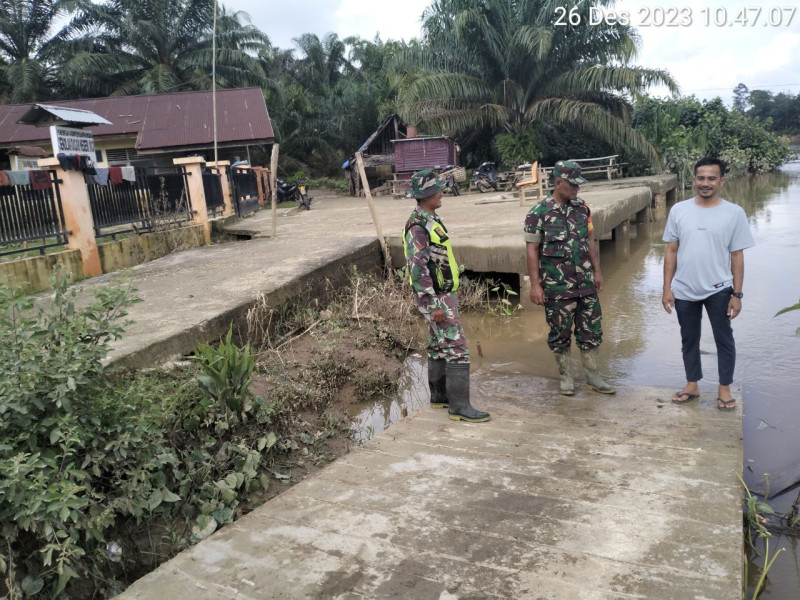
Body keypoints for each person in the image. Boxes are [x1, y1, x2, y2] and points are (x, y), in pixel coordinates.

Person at [662, 157, 754, 410]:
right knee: (688, 338)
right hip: (683, 289)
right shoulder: (679, 210)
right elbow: (671, 250)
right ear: (694, 180)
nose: (705, 183)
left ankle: (724, 387)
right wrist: (666, 288)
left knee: (724, 338)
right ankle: (692, 383)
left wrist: (737, 294)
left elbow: (737, 256)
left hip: (719, 289)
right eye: (701, 178)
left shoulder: (734, 213)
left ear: (721, 181)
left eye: (711, 178)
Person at [403, 169, 490, 423]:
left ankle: (440, 397)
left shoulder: (431, 219)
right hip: (437, 298)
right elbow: (417, 269)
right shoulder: (418, 226)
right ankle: (460, 407)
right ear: (427, 194)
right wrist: (431, 304)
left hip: (443, 295)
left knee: (439, 348)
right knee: (457, 349)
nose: (442, 192)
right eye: (438, 189)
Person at [524, 160, 615, 396]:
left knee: (592, 330)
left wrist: (597, 272)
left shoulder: (582, 208)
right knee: (560, 332)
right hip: (557, 287)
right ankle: (566, 376)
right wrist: (535, 285)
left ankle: (593, 377)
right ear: (557, 183)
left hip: (585, 284)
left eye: (578, 184)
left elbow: (590, 241)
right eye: (572, 184)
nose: (576, 189)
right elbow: (532, 250)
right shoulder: (538, 213)